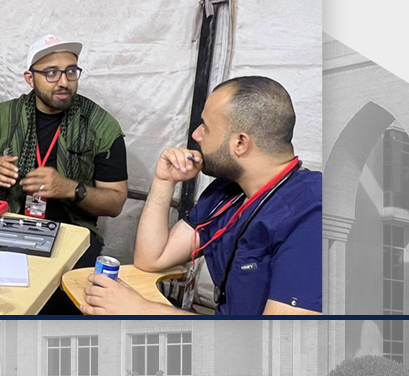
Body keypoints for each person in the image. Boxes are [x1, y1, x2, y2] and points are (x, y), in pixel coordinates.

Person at [81, 76, 321, 315]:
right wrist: (164, 181)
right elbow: (152, 258)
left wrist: (141, 310)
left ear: (240, 143)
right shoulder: (228, 192)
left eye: (206, 127)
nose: (196, 134)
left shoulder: (313, 215)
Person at [0, 35, 128, 274]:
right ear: (30, 78)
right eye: (51, 73)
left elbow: (115, 202)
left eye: (71, 72)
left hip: (72, 231)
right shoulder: (5, 115)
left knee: (58, 289)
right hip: (8, 223)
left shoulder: (101, 125)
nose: (64, 82)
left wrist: (72, 189)